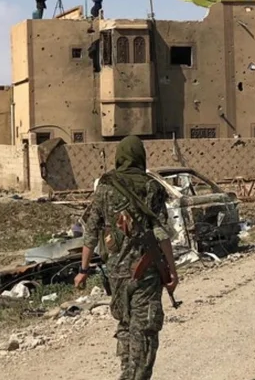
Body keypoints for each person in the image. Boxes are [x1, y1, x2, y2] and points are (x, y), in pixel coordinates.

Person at [75, 135, 179, 379]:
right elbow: (161, 233)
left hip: (117, 275)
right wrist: (172, 272)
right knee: (144, 329)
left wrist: (83, 270)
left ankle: (126, 374)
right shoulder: (152, 187)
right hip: (147, 273)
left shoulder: (105, 187)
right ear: (141, 156)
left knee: (125, 325)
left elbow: (90, 232)